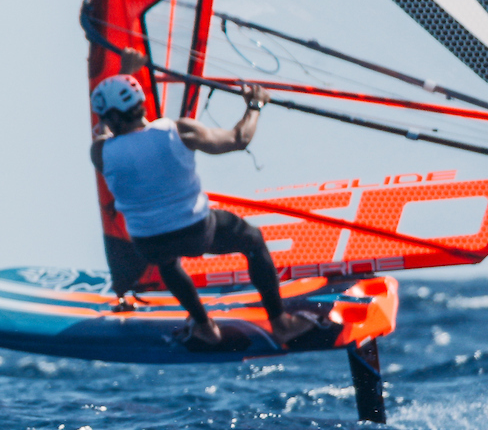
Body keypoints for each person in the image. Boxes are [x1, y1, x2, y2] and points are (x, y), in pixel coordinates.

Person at [89, 74, 320, 351]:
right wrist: (255, 106)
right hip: (196, 232)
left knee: (168, 262)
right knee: (254, 240)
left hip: (147, 243)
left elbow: (107, 129)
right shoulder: (180, 132)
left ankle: (204, 327)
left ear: (110, 117)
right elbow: (239, 138)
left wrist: (123, 76)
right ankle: (281, 323)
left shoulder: (100, 152)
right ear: (142, 104)